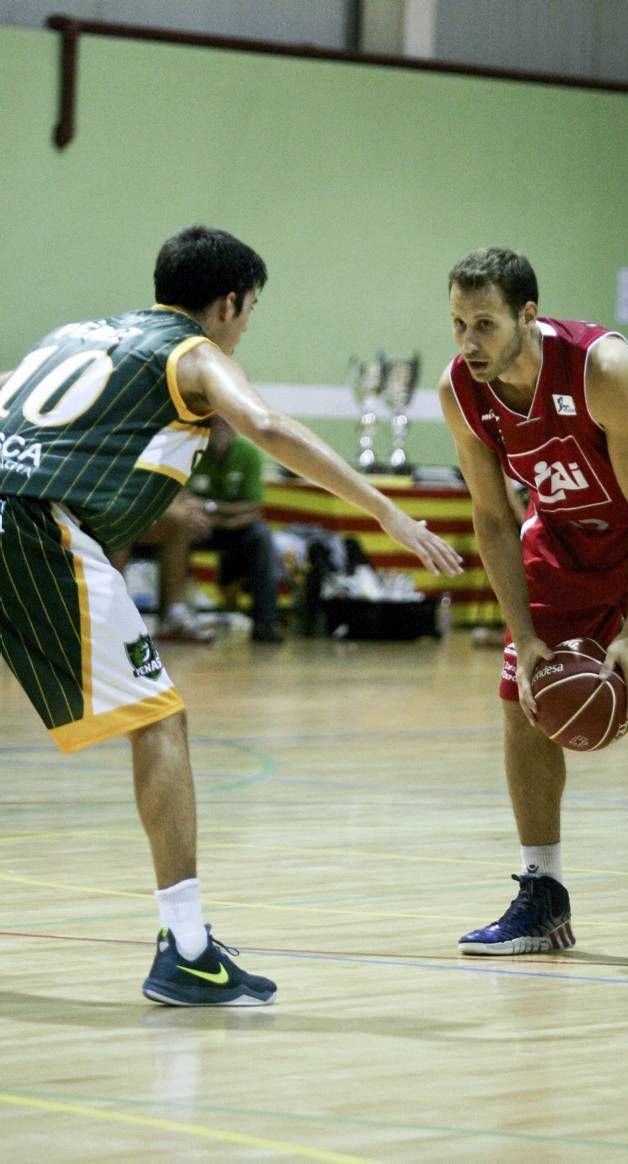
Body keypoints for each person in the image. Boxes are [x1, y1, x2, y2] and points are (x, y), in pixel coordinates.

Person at [0, 224, 462, 1006]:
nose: (246, 327)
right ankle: (185, 950)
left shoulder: (73, 335)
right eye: (249, 312)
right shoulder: (195, 354)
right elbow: (272, 428)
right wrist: (386, 513)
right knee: (160, 721)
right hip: (34, 531)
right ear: (229, 301)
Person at [439, 246, 628, 973]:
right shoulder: (461, 390)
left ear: (528, 317)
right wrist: (525, 636)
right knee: (519, 696)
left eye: (484, 324)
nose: (468, 343)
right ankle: (543, 895)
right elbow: (493, 517)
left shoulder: (604, 368)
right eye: (456, 324)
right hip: (562, 531)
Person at [187, 414, 283, 643]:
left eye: (226, 421)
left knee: (261, 536)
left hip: (236, 529)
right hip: (200, 527)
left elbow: (254, 508)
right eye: (215, 422)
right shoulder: (191, 451)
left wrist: (209, 507)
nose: (220, 428)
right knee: (177, 531)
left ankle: (265, 622)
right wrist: (226, 514)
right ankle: (178, 615)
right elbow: (183, 501)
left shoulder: (249, 453)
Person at [111, 492, 218, 643]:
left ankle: (176, 614)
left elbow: (171, 488)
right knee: (119, 515)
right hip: (109, 506)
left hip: (143, 511)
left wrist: (183, 507)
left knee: (178, 518)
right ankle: (112, 609)